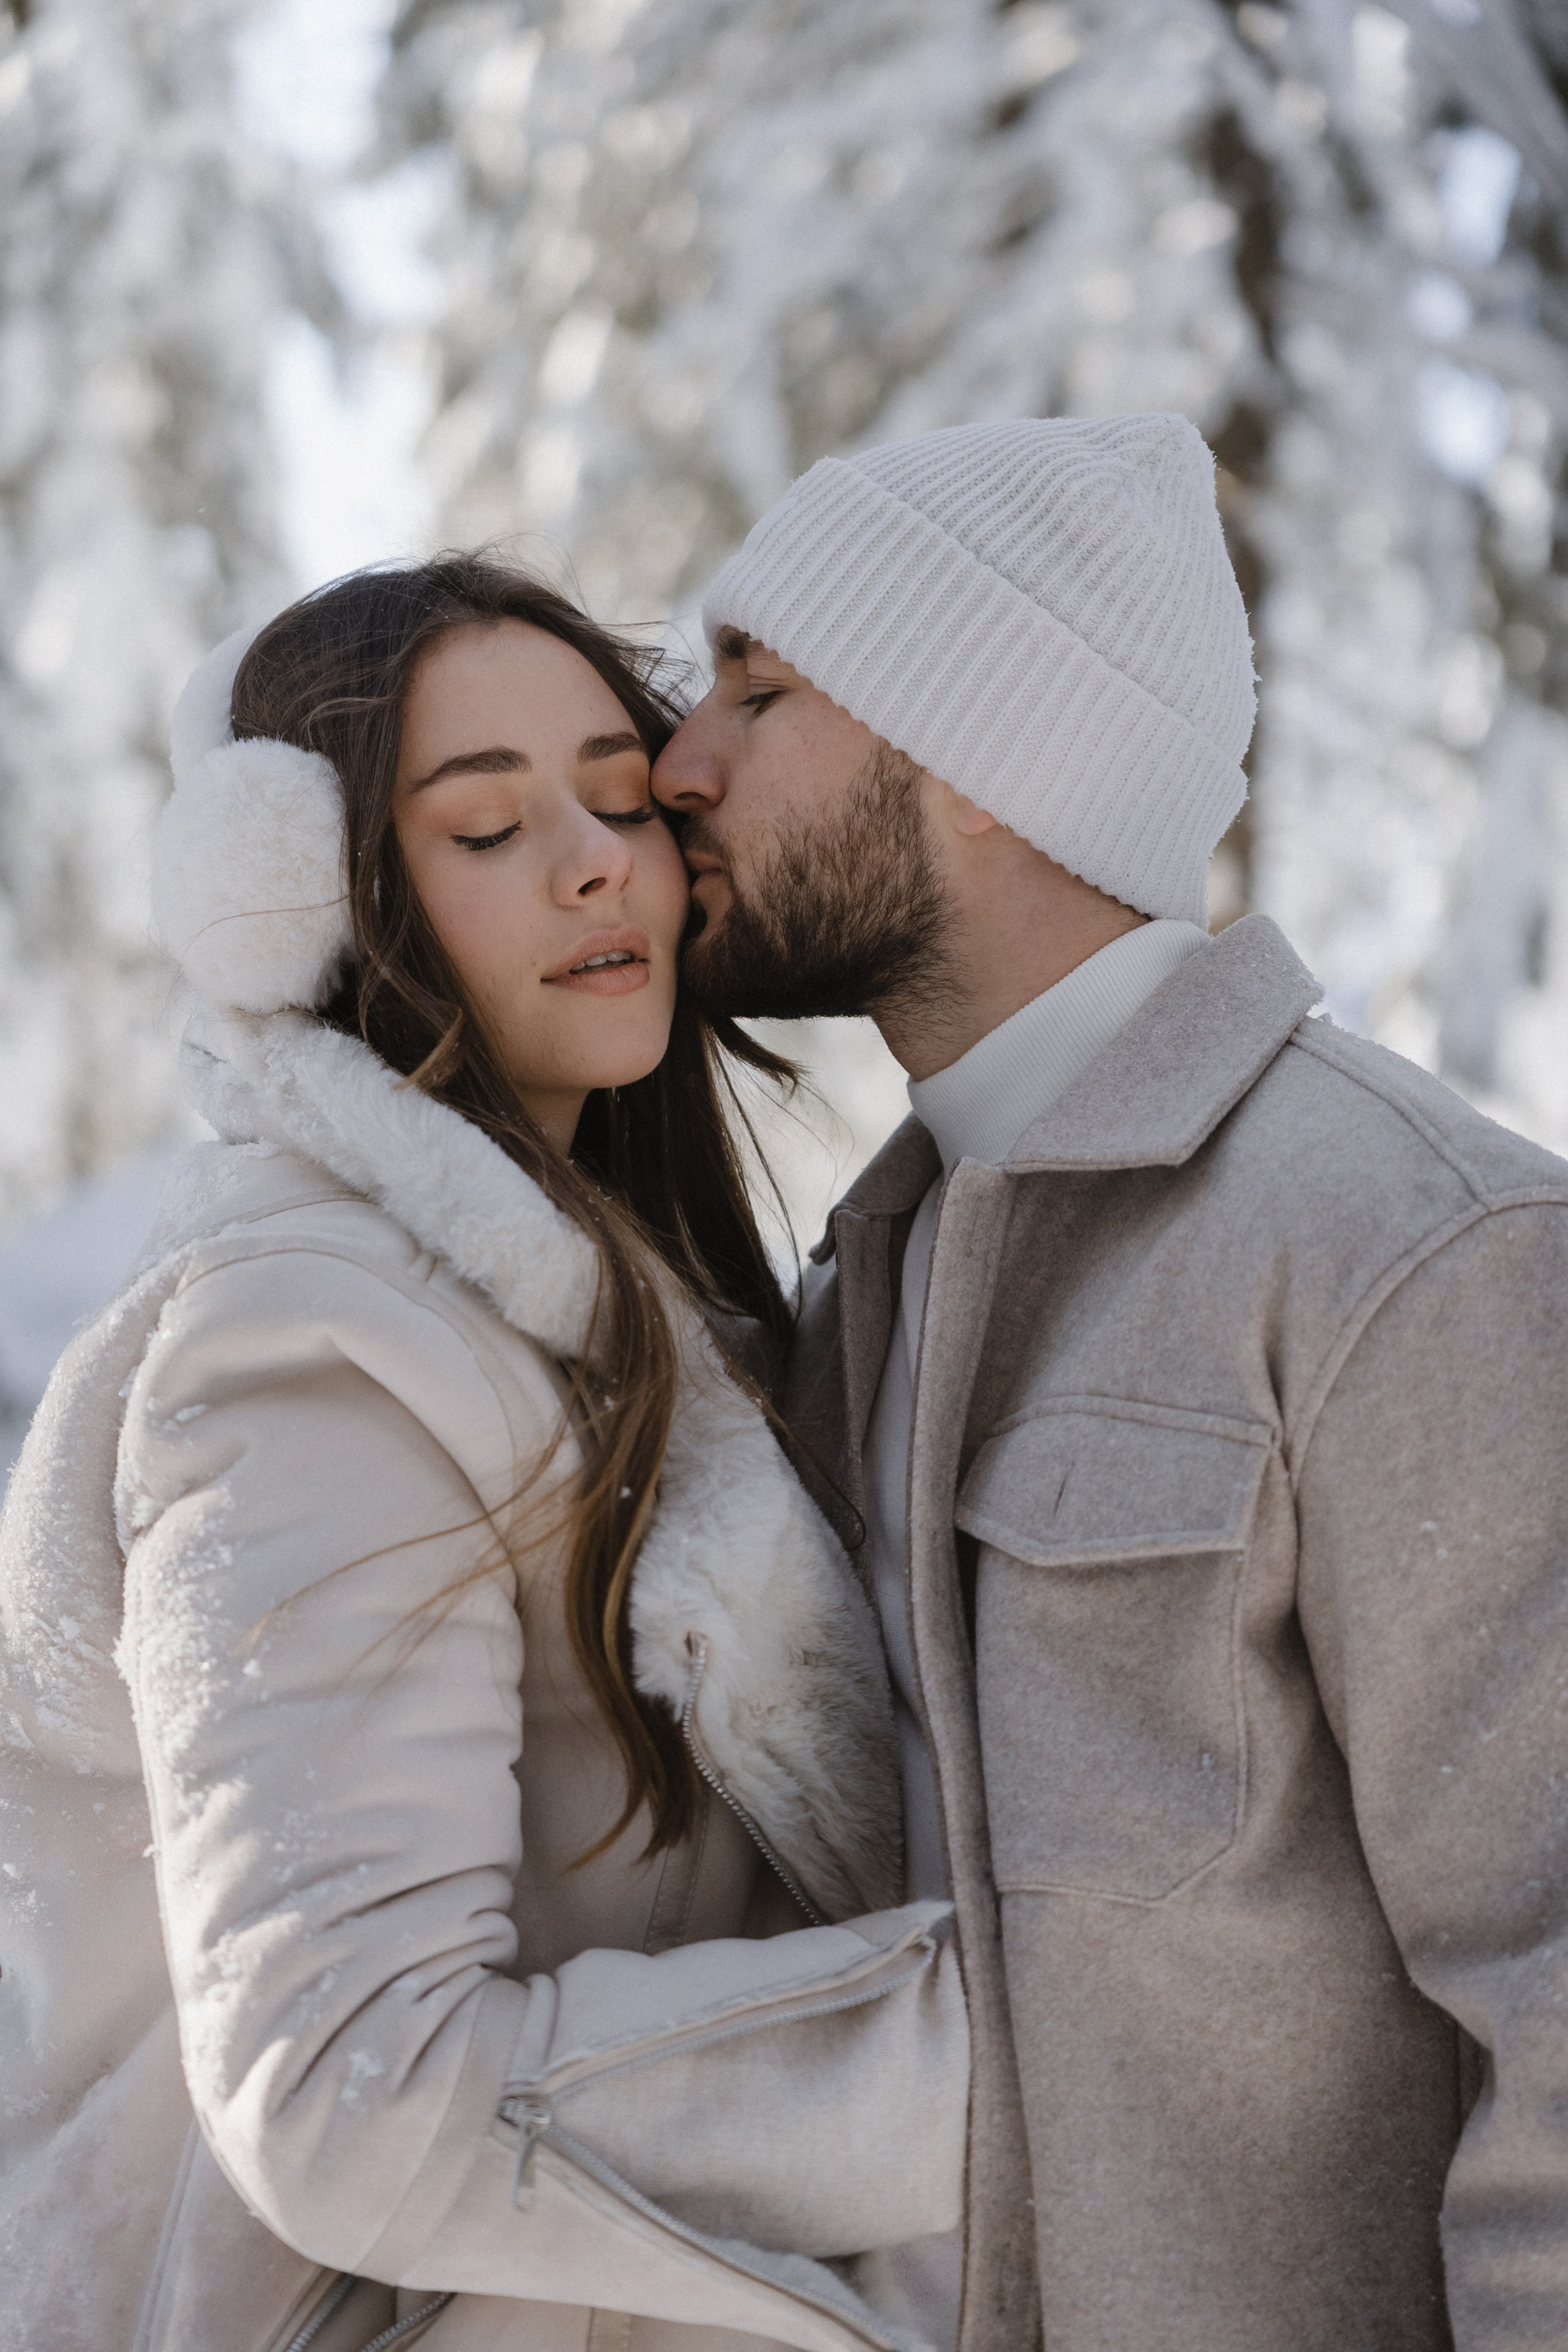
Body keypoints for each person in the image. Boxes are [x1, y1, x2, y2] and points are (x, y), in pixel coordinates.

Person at [651, 414, 1568, 2352]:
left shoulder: (1411, 1251)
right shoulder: (879, 1275)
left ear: (979, 766)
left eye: (761, 689)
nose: (678, 766)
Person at [0, 554, 969, 2352]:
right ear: (320, 901)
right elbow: (351, 2088)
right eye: (484, 825)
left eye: (618, 795)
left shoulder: (616, 1308)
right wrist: (995, 2060)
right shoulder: (307, 1348)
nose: (598, 860)